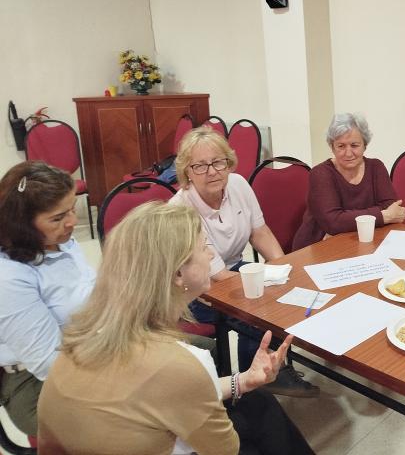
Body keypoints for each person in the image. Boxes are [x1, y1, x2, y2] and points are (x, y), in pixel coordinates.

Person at [38, 202, 314, 455]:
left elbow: (164, 393)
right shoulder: (180, 362)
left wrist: (243, 381)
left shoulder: (85, 338)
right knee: (257, 425)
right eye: (204, 247)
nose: (210, 255)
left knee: (257, 401)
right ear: (178, 274)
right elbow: (226, 448)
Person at [171, 127, 317, 397]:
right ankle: (257, 377)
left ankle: (266, 366)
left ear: (228, 163)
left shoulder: (238, 184)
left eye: (218, 162)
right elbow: (216, 276)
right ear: (187, 172)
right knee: (261, 305)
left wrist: (284, 270)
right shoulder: (181, 209)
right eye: (200, 166)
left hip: (234, 268)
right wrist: (268, 285)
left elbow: (259, 232)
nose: (212, 172)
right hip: (195, 289)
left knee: (283, 291)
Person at [0, 161, 96, 437]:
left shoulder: (60, 240)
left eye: (72, 209)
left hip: (88, 351)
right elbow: (49, 365)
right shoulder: (9, 276)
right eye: (57, 217)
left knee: (197, 353)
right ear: (22, 225)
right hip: (35, 385)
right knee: (146, 406)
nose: (72, 222)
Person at [292, 113, 405, 249]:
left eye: (354, 145)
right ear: (332, 147)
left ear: (365, 145)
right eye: (341, 146)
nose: (348, 153)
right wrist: (383, 216)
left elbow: (393, 209)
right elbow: (333, 222)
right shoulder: (320, 173)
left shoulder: (376, 167)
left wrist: (345, 219)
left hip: (364, 243)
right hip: (319, 247)